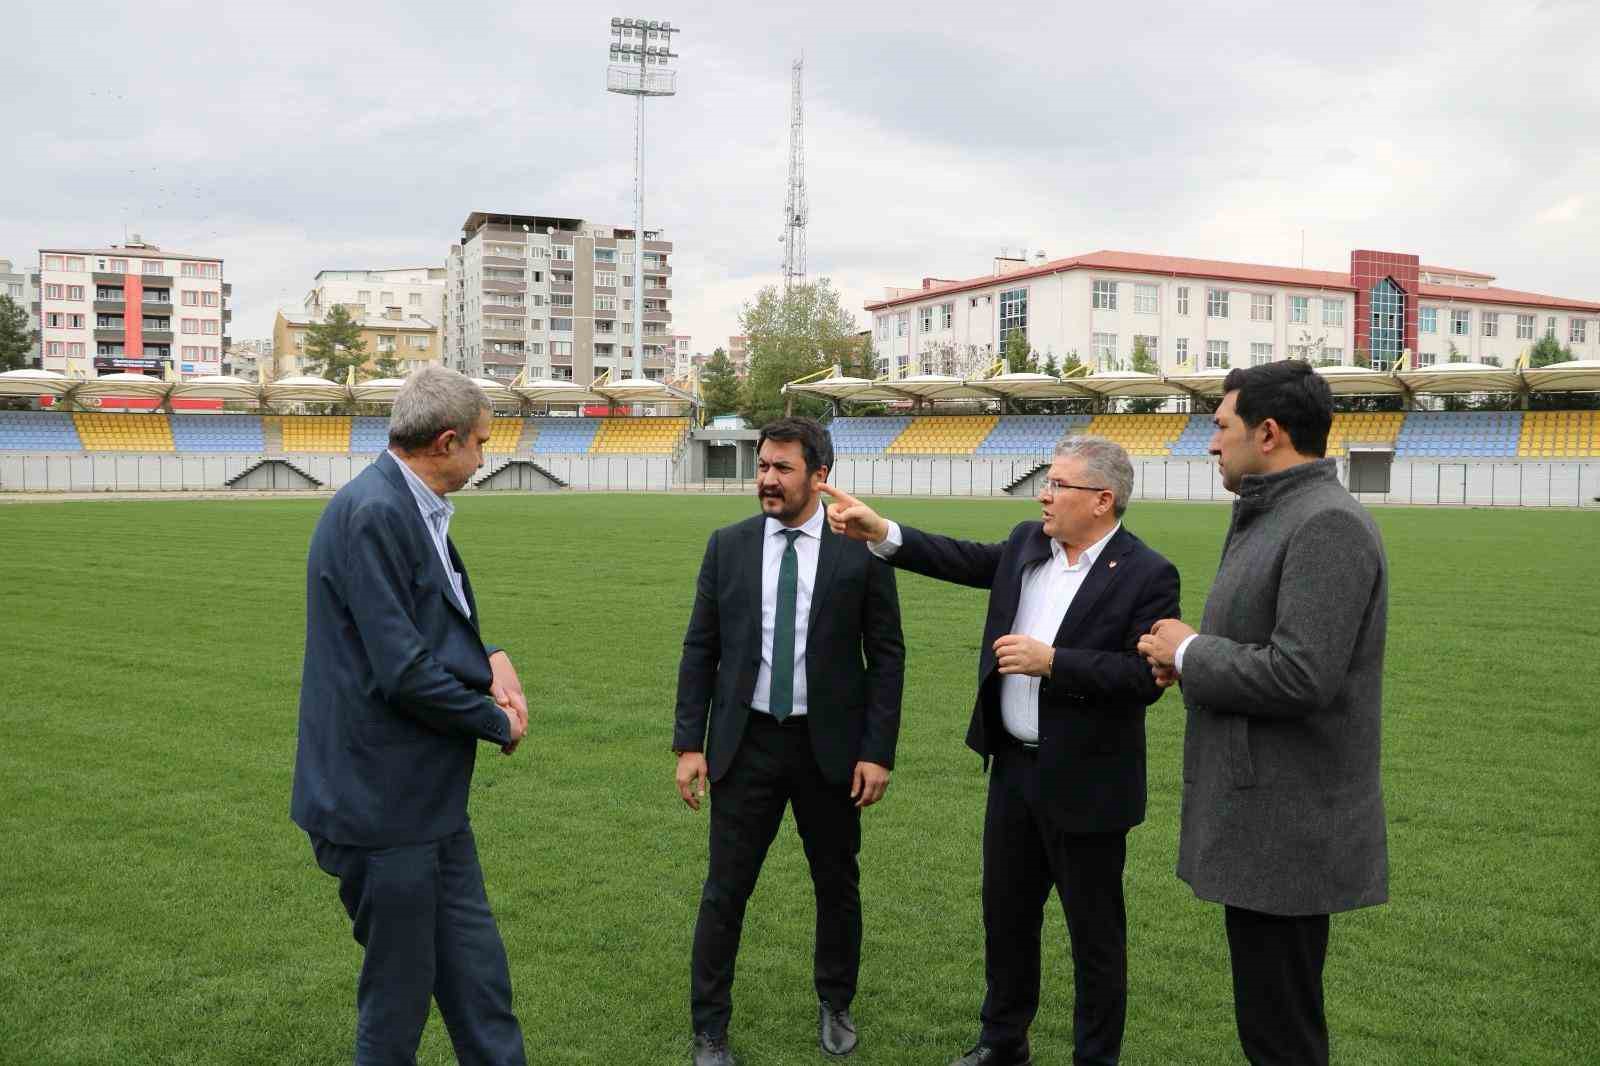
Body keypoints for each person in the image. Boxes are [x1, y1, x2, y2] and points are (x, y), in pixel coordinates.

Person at [825, 436, 1180, 1066]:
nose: (1044, 494)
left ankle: (1095, 1057)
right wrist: (883, 531)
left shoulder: (1148, 574)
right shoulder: (1027, 544)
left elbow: (1142, 681)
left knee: (1096, 939)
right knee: (1007, 920)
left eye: (1059, 485)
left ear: (1102, 500)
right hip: (1013, 771)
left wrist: (1055, 664)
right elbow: (962, 559)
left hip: (1088, 784)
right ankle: (1002, 1042)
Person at [1137, 360, 1389, 1066]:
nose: (1211, 443)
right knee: (1270, 1025)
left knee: (1283, 1035)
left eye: (1221, 427)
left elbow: (1301, 674)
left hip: (1290, 825)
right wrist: (1191, 656)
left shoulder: (1325, 524)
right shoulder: (1277, 511)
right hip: (1263, 817)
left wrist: (1191, 654)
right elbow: (1260, 652)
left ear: (1269, 432)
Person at [291, 366, 531, 1066]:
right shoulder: (375, 512)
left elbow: (426, 619)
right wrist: (498, 722)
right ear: (447, 440)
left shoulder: (406, 503)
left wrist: (489, 655)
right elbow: (403, 673)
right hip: (380, 812)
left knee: (480, 988)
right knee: (396, 1007)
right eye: (481, 444)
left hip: (429, 808)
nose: (484, 459)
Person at [673, 416, 905, 1066]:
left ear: (820, 476)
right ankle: (709, 1030)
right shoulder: (729, 546)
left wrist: (877, 750)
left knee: (836, 884)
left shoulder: (860, 550)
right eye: (763, 467)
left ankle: (836, 1004)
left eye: (782, 468)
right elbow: (702, 648)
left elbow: (887, 656)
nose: (767, 480)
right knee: (725, 890)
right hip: (746, 746)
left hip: (828, 748)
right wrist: (690, 744)